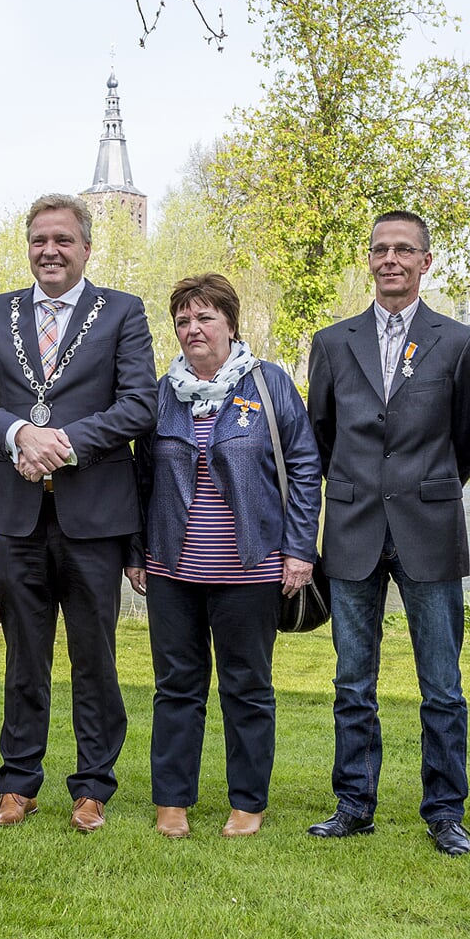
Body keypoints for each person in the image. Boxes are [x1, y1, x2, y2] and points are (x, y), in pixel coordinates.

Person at [0, 193, 157, 833]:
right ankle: (18, 783)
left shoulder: (122, 312)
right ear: (29, 247)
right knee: (24, 654)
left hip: (95, 515)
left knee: (94, 656)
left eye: (63, 240)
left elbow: (139, 405)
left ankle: (93, 785)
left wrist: (63, 444)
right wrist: (21, 434)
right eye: (40, 240)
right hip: (18, 516)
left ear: (86, 248)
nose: (50, 251)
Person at [305, 210, 470, 853]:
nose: (391, 260)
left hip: (429, 525)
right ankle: (354, 802)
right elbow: (319, 435)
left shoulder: (460, 343)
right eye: (380, 249)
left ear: (425, 262)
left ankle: (444, 812)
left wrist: (428, 486)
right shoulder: (332, 342)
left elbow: (468, 440)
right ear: (369, 259)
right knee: (353, 680)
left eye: (404, 250)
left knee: (442, 684)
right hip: (353, 527)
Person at [126, 273, 318, 839]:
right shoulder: (162, 393)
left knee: (247, 687)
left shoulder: (268, 384)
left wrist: (300, 549)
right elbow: (139, 478)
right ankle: (173, 800)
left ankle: (248, 802)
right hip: (171, 568)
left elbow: (304, 465)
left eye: (205, 317)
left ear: (231, 324)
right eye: (183, 320)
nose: (193, 329)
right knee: (176, 685)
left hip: (251, 567)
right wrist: (137, 552)